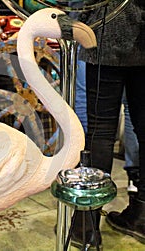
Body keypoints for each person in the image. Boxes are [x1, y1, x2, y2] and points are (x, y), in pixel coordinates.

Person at [71, 0, 145, 249]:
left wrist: (75, 16)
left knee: (101, 132)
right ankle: (141, 215)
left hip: (107, 31)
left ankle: (87, 226)